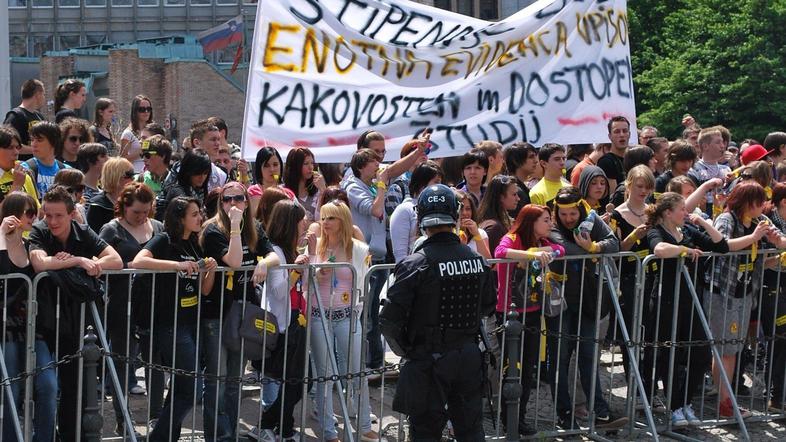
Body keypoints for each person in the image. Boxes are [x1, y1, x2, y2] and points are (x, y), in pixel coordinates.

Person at [380, 184, 496, 441]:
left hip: (428, 359)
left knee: (425, 432)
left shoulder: (415, 264)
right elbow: (489, 305)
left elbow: (389, 320)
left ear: (421, 218)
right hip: (467, 355)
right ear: (455, 216)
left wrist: (407, 349)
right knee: (471, 430)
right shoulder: (476, 261)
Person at [28, 185, 123, 442]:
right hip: (43, 322)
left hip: (78, 322)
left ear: (72, 214)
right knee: (45, 388)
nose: (52, 221)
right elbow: (39, 263)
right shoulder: (39, 230)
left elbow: (115, 260)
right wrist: (79, 261)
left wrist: (93, 264)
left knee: (75, 388)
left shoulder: (83, 231)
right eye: (48, 215)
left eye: (58, 215)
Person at [130, 197, 218, 442]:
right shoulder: (165, 239)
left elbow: (205, 290)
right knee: (191, 390)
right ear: (180, 218)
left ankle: (167, 436)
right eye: (193, 214)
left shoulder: (195, 243)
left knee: (181, 386)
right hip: (171, 324)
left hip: (192, 322)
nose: (200, 217)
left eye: (200, 213)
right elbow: (138, 261)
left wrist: (209, 269)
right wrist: (177, 265)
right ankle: (159, 437)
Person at [199, 181, 279, 441]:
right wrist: (234, 227)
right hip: (217, 313)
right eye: (227, 199)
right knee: (217, 380)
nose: (233, 204)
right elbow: (233, 262)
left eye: (239, 199)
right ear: (220, 202)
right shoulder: (212, 229)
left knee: (234, 380)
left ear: (247, 202)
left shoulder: (254, 227)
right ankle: (215, 435)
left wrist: (264, 263)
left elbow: (275, 255)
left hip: (243, 311)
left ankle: (229, 434)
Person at [645, 192, 728, 426]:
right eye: (681, 209)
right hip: (665, 300)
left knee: (701, 354)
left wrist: (701, 222)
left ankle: (684, 403)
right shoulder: (657, 230)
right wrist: (683, 251)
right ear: (667, 212)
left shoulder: (687, 231)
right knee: (668, 355)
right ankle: (673, 408)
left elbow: (721, 246)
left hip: (691, 300)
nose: (686, 212)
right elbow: (659, 249)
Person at [547, 186, 626, 430]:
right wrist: (588, 247)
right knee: (559, 359)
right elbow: (566, 249)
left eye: (573, 214)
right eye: (564, 215)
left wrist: (595, 248)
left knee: (589, 357)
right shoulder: (550, 225)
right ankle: (564, 413)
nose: (569, 219)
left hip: (590, 299)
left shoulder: (591, 219)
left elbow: (614, 243)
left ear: (580, 208)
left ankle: (601, 412)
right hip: (561, 302)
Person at [706, 181, 786, 418]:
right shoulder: (727, 219)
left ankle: (723, 398)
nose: (764, 206)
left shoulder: (761, 221)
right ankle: (725, 401)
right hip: (723, 291)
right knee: (727, 348)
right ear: (747, 202)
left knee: (732, 347)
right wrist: (754, 237)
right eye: (759, 202)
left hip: (745, 291)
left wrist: (774, 241)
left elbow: (781, 240)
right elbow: (722, 245)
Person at [307, 200, 380, 442]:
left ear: (343, 221)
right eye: (324, 218)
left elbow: (363, 285)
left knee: (356, 372)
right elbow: (305, 284)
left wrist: (356, 312)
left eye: (331, 218)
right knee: (324, 376)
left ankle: (364, 423)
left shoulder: (358, 248)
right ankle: (328, 430)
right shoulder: (315, 247)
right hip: (319, 317)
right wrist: (317, 274)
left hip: (347, 316)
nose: (325, 223)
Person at [98, 182, 164, 437]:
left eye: (146, 211)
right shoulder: (111, 229)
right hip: (121, 305)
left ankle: (156, 417)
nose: (142, 216)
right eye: (136, 211)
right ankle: (122, 417)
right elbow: (99, 261)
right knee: (123, 362)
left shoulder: (157, 228)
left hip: (154, 306)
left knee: (155, 364)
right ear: (124, 207)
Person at [494, 204, 564, 436]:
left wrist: (543, 251)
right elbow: (499, 253)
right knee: (510, 368)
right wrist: (531, 254)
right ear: (531, 221)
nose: (550, 224)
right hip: (509, 312)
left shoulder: (543, 241)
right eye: (545, 220)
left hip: (533, 310)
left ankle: (519, 417)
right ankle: (506, 419)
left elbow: (560, 250)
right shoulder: (513, 237)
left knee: (527, 370)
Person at [249, 199, 309, 441]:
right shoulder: (276, 252)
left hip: (297, 319)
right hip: (283, 324)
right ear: (289, 224)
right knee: (296, 382)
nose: (305, 225)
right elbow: (279, 291)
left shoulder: (290, 250)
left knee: (300, 381)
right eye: (301, 221)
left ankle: (278, 427)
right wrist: (296, 269)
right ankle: (269, 426)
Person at [0, 191, 56, 442]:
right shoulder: (1, 242)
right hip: (6, 329)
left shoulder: (32, 244)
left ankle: (42, 438)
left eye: (35, 212)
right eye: (29, 213)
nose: (34, 217)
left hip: (34, 327)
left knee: (47, 385)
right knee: (10, 386)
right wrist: (3, 235)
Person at [343, 148, 391, 373]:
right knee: (365, 313)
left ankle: (373, 360)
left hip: (378, 257)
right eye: (374, 162)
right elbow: (375, 209)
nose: (379, 165)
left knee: (373, 312)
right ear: (362, 166)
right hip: (365, 259)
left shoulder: (371, 186)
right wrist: (381, 186)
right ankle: (363, 364)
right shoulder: (353, 187)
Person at [609, 165, 655, 387]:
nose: (643, 191)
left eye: (647, 187)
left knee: (650, 336)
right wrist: (634, 236)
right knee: (631, 336)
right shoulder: (617, 215)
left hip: (653, 280)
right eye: (639, 186)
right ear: (628, 185)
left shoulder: (652, 211)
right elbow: (615, 250)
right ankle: (634, 385)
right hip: (628, 280)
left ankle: (650, 386)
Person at [390, 161, 443, 263]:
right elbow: (401, 256)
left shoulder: (441, 209)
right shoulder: (404, 210)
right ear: (422, 184)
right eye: (436, 182)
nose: (440, 187)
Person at [155, 151, 211, 220]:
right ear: (188, 171)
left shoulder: (200, 192)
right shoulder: (177, 193)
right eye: (197, 173)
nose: (202, 177)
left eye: (205, 173)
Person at [689, 128, 732, 216]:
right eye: (718, 142)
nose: (722, 146)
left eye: (722, 142)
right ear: (705, 146)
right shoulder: (694, 169)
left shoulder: (726, 169)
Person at [86, 157, 135, 234]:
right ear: (115, 176)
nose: (133, 178)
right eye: (129, 175)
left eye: (133, 174)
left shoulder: (135, 200)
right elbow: (93, 237)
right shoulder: (97, 205)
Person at [23, 121, 70, 198]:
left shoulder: (67, 170)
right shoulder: (25, 169)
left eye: (39, 140)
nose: (34, 144)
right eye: (32, 140)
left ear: (53, 142)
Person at [3, 79, 46, 159]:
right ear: (37, 95)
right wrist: (37, 150)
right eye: (43, 94)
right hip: (22, 166)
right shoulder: (15, 116)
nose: (44, 98)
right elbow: (8, 143)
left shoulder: (40, 116)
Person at [477, 175, 519, 254]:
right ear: (501, 197)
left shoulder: (500, 222)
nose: (518, 198)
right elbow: (490, 262)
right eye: (514, 194)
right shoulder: (494, 228)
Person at [283, 146, 326, 222]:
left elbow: (322, 219)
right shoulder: (283, 192)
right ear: (295, 166)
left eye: (312, 163)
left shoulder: (317, 190)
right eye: (306, 163)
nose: (311, 167)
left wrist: (323, 191)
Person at [248, 146, 291, 216]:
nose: (272, 169)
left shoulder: (288, 193)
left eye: (275, 165)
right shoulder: (253, 191)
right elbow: (257, 216)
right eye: (266, 165)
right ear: (259, 168)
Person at [0, 125, 38, 203]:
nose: (16, 152)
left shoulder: (23, 175)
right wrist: (16, 186)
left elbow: (36, 210)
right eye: (10, 148)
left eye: (17, 147)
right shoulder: (19, 179)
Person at [189, 121, 228, 191]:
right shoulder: (180, 169)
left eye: (218, 139)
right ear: (197, 143)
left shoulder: (221, 174)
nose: (217, 143)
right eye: (213, 140)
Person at [120, 95, 153, 173]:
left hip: (153, 173)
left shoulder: (153, 130)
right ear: (135, 111)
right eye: (142, 109)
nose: (146, 112)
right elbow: (122, 159)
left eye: (149, 109)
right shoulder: (128, 133)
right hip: (136, 174)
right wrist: (141, 152)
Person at [529, 143, 569, 207]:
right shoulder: (536, 193)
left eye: (564, 159)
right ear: (544, 163)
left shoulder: (569, 187)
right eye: (557, 159)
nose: (562, 163)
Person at [503, 142, 536, 216]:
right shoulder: (515, 190)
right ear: (516, 161)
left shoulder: (520, 187)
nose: (536, 161)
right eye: (531, 157)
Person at [598, 115, 631, 191]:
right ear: (610, 136)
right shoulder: (606, 162)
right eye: (617, 132)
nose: (622, 135)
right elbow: (614, 194)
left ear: (629, 134)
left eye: (625, 131)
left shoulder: (633, 159)